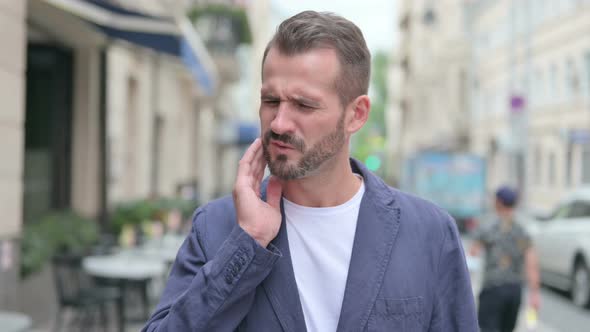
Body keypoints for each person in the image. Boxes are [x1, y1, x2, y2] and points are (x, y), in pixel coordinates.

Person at [142, 11, 477, 332]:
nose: (279, 123)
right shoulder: (217, 227)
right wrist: (248, 245)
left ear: (356, 115)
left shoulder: (428, 233)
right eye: (270, 101)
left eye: (303, 105)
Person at [470, 186, 540, 332]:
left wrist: (467, 286)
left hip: (492, 289)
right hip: (515, 291)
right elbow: (531, 264)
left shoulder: (487, 226)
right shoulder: (522, 230)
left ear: (499, 202)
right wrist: (534, 294)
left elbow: (473, 255)